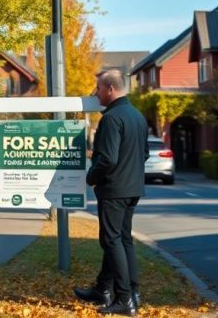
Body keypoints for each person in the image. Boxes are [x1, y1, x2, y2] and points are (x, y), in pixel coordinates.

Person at [74, 68, 149, 316]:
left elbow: (106, 159)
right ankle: (115, 290)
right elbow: (144, 154)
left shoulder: (111, 118)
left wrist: (91, 177)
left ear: (110, 89)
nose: (95, 94)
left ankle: (125, 299)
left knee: (112, 240)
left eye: (97, 89)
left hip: (114, 189)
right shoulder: (138, 116)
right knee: (122, 239)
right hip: (133, 188)